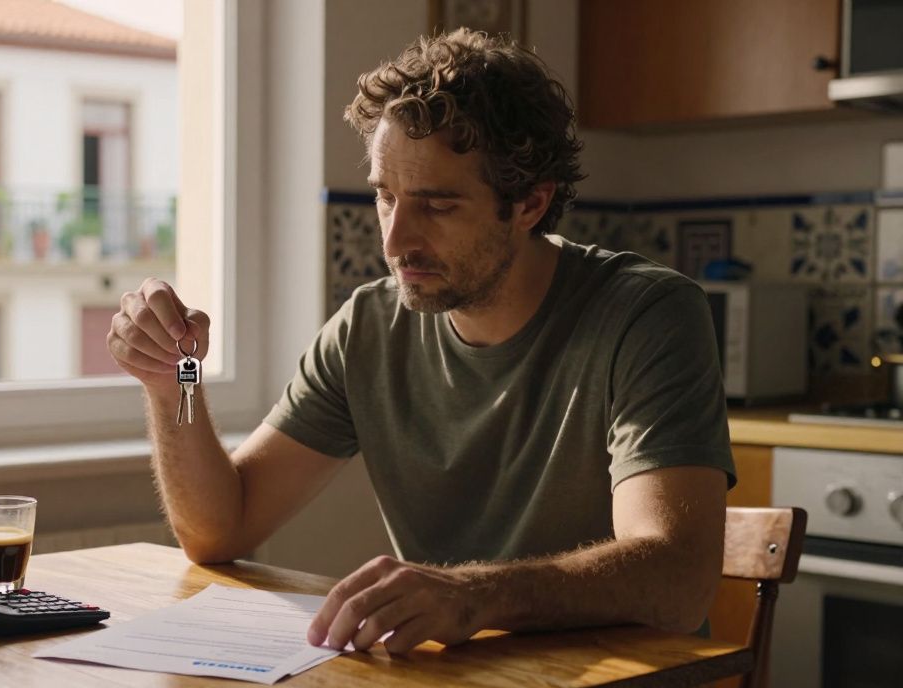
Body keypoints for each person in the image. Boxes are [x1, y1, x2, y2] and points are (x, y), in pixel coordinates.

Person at [107, 29, 735, 656]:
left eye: (436, 206)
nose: (396, 240)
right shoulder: (368, 327)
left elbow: (676, 580)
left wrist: (472, 596)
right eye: (386, 197)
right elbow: (221, 530)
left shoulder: (647, 315)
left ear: (530, 203)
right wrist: (172, 384)